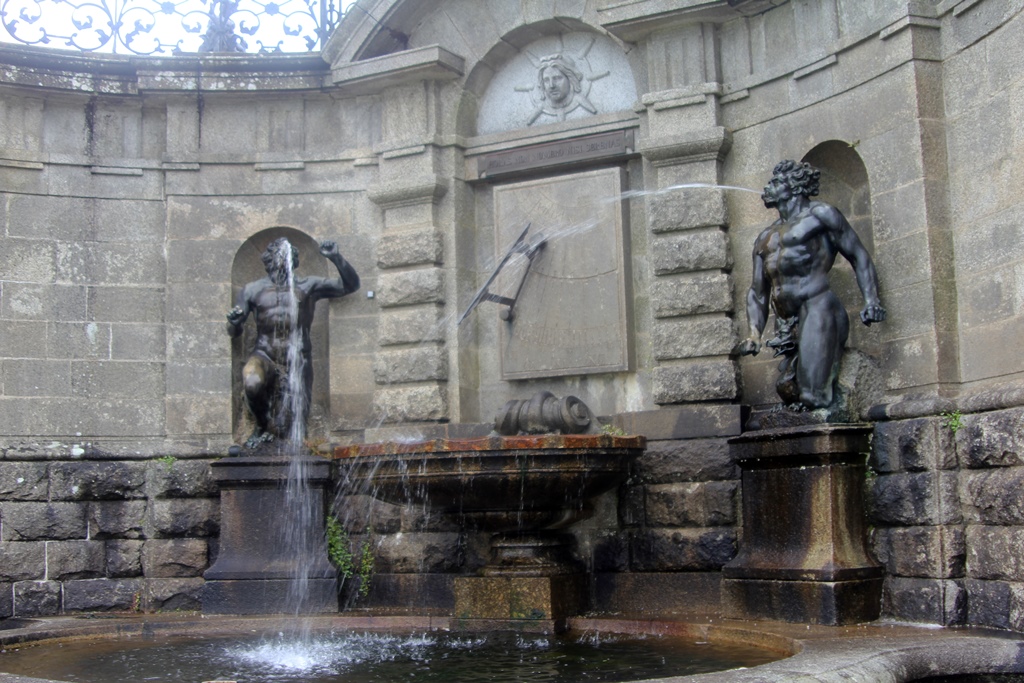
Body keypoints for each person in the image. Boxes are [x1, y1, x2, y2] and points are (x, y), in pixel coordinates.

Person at [736, 160, 885, 409]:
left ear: (794, 187)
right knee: (787, 390)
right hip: (788, 322)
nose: (767, 187)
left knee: (812, 398)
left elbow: (859, 256)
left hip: (818, 306)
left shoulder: (821, 215)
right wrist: (754, 333)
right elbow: (758, 292)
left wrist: (871, 300)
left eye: (775, 183)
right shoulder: (765, 237)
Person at [227, 237, 359, 447]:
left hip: (298, 355)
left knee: (299, 425)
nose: (284, 263)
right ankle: (261, 425)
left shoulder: (308, 286)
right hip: (264, 354)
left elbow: (351, 285)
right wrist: (233, 323)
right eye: (280, 259)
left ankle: (299, 438)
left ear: (295, 262)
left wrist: (335, 257)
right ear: (269, 262)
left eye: (289, 258)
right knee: (252, 382)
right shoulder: (252, 290)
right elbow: (235, 332)